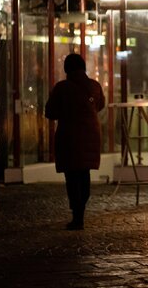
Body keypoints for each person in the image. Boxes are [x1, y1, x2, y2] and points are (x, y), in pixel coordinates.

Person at [45, 53, 106, 230]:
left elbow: (50, 112)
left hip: (69, 135)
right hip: (90, 134)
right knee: (84, 172)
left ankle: (77, 214)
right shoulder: (94, 86)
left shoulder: (62, 88)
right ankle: (80, 209)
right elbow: (100, 105)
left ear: (67, 69)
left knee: (72, 176)